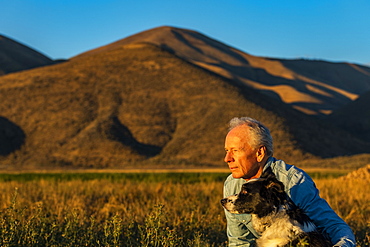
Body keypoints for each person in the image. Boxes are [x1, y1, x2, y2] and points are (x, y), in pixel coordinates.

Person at [223, 117, 356, 247]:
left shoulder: (293, 180)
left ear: (259, 153)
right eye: (227, 151)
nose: (227, 158)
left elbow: (333, 226)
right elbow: (240, 242)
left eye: (235, 150)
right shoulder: (231, 184)